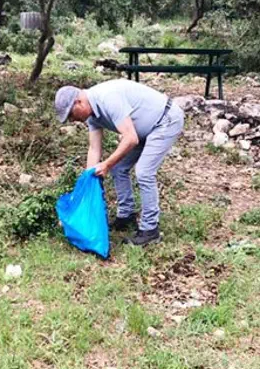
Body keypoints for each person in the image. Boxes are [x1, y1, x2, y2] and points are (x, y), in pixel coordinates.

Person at [53, 79, 184, 246]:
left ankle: (150, 230)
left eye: (71, 115)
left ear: (78, 102)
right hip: (142, 130)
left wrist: (106, 164)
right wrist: (89, 179)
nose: (72, 120)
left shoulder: (108, 99)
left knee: (144, 172)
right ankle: (126, 215)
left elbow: (130, 138)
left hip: (165, 120)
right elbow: (94, 149)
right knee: (118, 168)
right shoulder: (92, 115)